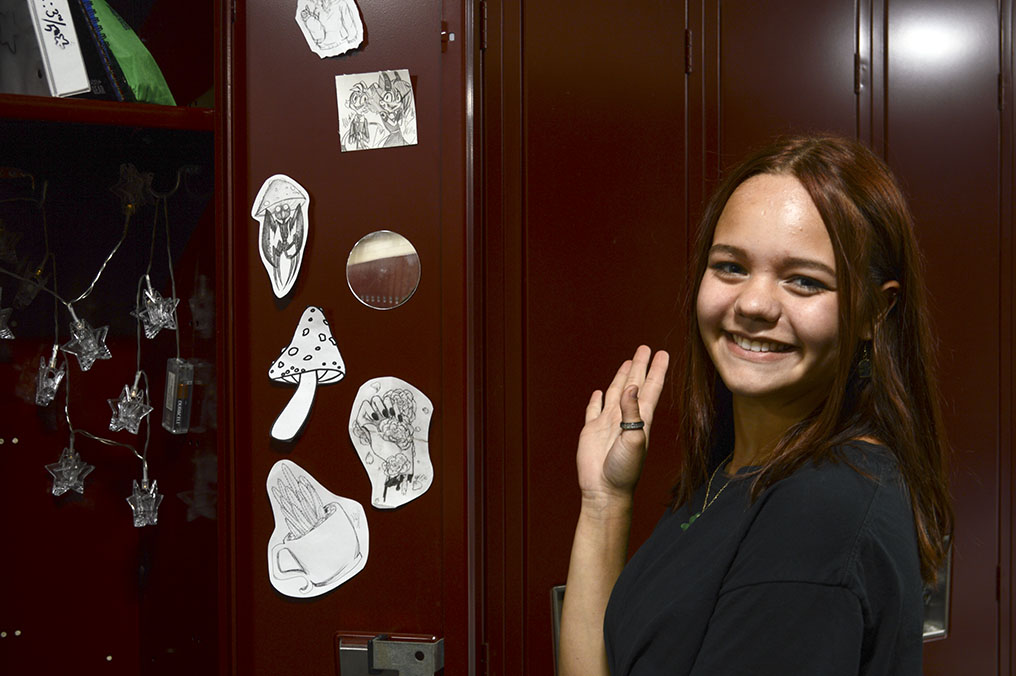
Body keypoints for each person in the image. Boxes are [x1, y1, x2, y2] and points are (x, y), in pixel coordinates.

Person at [559, 135, 954, 676]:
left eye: (803, 281)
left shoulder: (819, 511)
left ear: (873, 313)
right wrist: (604, 502)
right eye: (731, 267)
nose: (754, 304)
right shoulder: (740, 472)